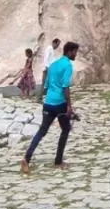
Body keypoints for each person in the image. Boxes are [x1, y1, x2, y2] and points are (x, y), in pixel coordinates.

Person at [21, 41, 78, 172]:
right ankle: (58, 161)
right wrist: (69, 106)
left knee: (42, 131)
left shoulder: (53, 65)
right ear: (69, 52)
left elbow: (46, 86)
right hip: (60, 103)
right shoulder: (67, 65)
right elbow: (65, 87)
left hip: (48, 103)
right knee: (65, 129)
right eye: (75, 52)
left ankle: (27, 158)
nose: (75, 55)